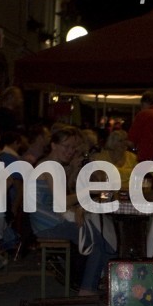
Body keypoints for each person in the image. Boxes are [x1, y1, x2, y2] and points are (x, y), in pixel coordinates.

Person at [29, 126, 115, 295]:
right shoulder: (50, 166)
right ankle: (88, 288)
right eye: (66, 146)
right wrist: (90, 190)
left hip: (47, 223)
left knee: (101, 238)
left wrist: (77, 207)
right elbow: (61, 202)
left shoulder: (50, 164)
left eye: (73, 147)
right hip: (48, 225)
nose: (70, 151)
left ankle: (101, 283)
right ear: (53, 145)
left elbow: (59, 200)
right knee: (99, 241)